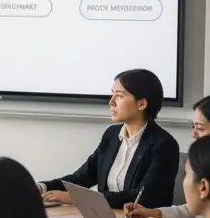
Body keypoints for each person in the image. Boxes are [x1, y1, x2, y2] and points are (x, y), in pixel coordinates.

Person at [39, 69, 179, 209]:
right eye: (112, 94)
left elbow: (142, 198)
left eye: (119, 96)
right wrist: (42, 187)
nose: (111, 102)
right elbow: (81, 178)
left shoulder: (164, 145)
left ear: (141, 104)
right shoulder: (111, 135)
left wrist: (80, 198)